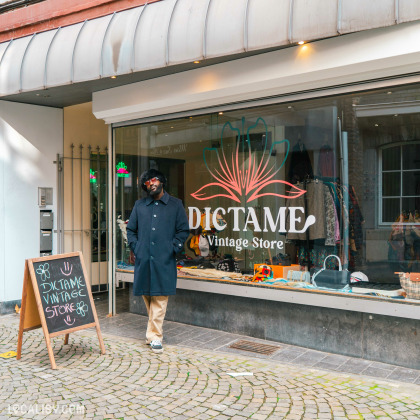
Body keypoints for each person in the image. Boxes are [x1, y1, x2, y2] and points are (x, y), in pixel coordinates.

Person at [126, 169, 190, 353]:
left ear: (162, 181)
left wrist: (173, 248)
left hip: (164, 260)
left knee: (160, 298)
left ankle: (155, 336)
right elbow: (131, 230)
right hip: (144, 259)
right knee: (148, 296)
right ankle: (152, 332)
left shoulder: (175, 205)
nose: (151, 184)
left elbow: (183, 230)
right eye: (147, 182)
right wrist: (136, 247)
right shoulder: (140, 205)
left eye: (154, 180)